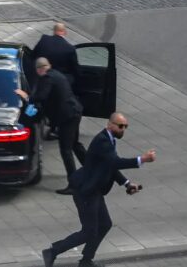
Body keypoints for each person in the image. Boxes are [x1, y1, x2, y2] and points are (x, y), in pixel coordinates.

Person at [42, 112, 156, 267]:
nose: (123, 129)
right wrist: (142, 159)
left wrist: (127, 183)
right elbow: (116, 162)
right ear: (109, 125)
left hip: (93, 190)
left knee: (104, 224)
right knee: (89, 231)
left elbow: (110, 166)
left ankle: (86, 260)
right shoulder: (102, 142)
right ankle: (53, 251)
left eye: (125, 127)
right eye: (120, 126)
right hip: (85, 191)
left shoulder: (109, 140)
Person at [15, 58, 86, 194]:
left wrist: (26, 96)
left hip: (67, 117)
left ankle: (74, 184)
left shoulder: (47, 78)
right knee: (75, 144)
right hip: (74, 112)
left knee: (66, 150)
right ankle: (92, 169)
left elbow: (41, 97)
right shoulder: (56, 74)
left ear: (39, 69)